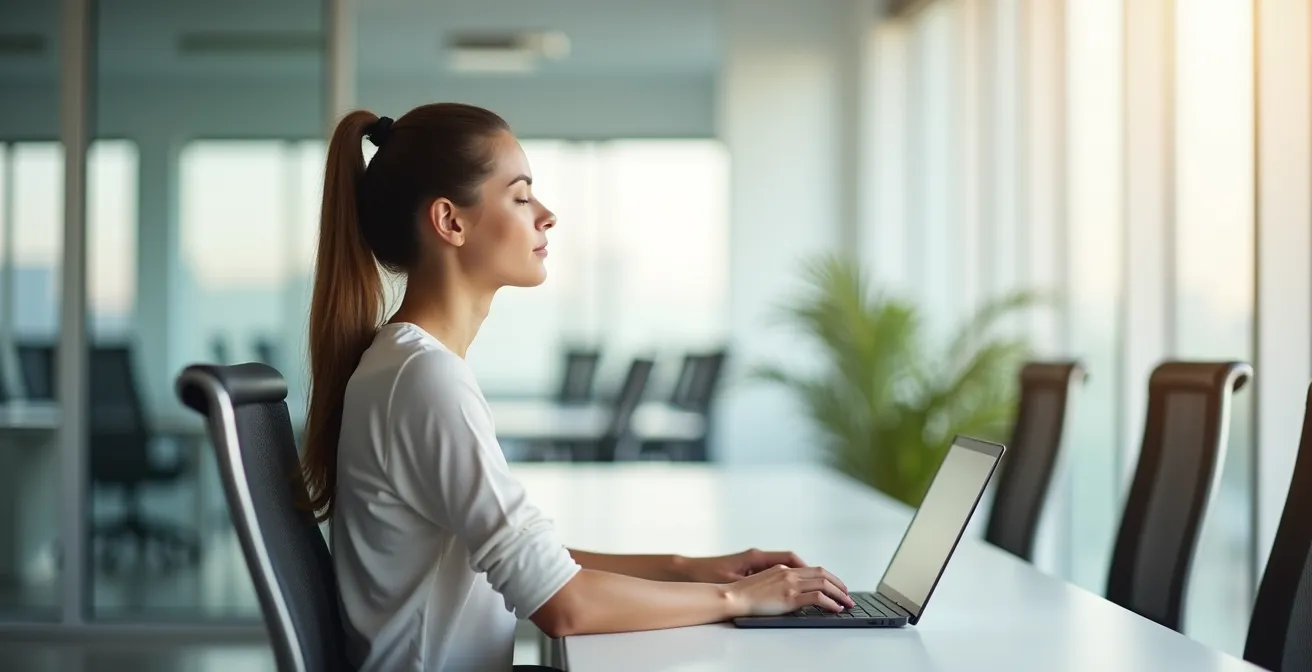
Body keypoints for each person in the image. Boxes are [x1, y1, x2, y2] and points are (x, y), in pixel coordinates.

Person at [300, 102, 854, 672]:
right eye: (521, 197)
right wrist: (737, 599)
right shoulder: (424, 378)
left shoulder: (407, 365)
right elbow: (563, 606)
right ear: (450, 222)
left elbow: (532, 562)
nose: (547, 215)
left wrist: (689, 569)